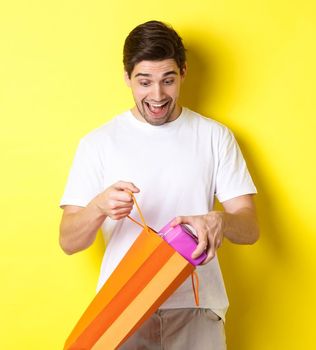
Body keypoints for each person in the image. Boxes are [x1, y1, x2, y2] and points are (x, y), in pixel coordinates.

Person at [59, 20, 259, 349]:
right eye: (144, 82)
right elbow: (68, 241)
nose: (157, 95)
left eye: (168, 80)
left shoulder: (214, 136)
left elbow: (250, 228)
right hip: (122, 308)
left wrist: (218, 220)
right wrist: (98, 207)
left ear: (183, 72)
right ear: (127, 78)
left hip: (197, 307)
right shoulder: (98, 143)